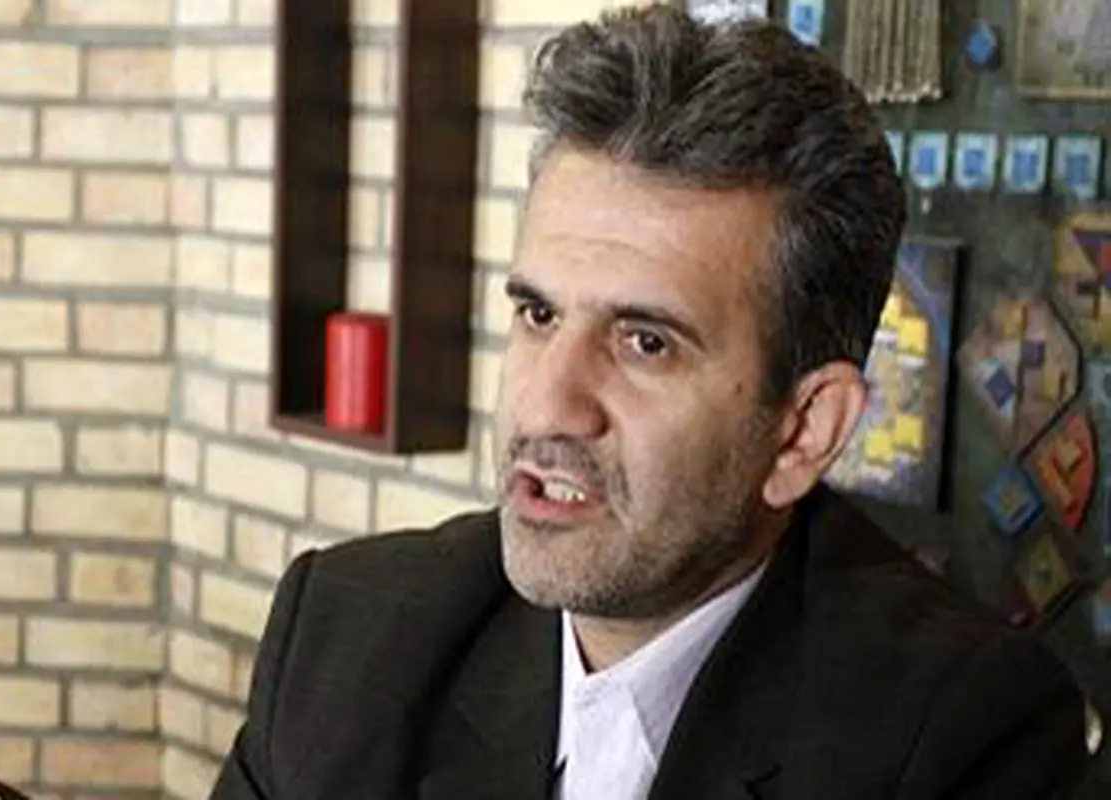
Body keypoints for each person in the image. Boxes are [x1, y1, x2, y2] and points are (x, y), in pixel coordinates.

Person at [211, 5, 1090, 798]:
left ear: (804, 430)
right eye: (538, 314)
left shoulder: (960, 741)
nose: (547, 406)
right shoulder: (344, 639)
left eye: (645, 343)